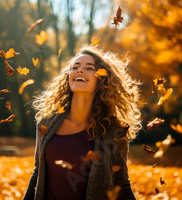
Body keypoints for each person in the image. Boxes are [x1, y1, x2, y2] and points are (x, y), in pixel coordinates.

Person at [23, 45, 141, 200]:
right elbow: (38, 172)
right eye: (75, 67)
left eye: (89, 68)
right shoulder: (46, 123)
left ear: (102, 79)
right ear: (68, 76)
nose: (79, 70)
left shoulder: (114, 132)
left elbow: (121, 184)